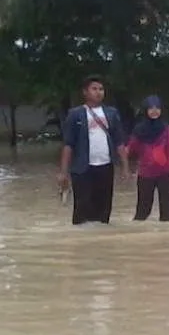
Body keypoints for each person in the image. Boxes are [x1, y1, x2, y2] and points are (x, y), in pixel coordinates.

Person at [57, 75, 130, 225]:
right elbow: (68, 144)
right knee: (81, 210)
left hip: (106, 167)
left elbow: (119, 142)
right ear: (85, 92)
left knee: (104, 209)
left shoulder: (111, 113)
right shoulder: (75, 114)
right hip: (82, 168)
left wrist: (125, 167)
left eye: (101, 89)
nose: (98, 92)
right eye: (94, 89)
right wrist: (63, 172)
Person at [127, 95, 169, 222]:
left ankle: (165, 239)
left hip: (165, 173)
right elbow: (130, 149)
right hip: (146, 174)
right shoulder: (138, 130)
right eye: (151, 108)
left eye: (157, 108)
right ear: (145, 110)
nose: (154, 111)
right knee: (142, 211)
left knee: (166, 212)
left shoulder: (166, 129)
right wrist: (125, 164)